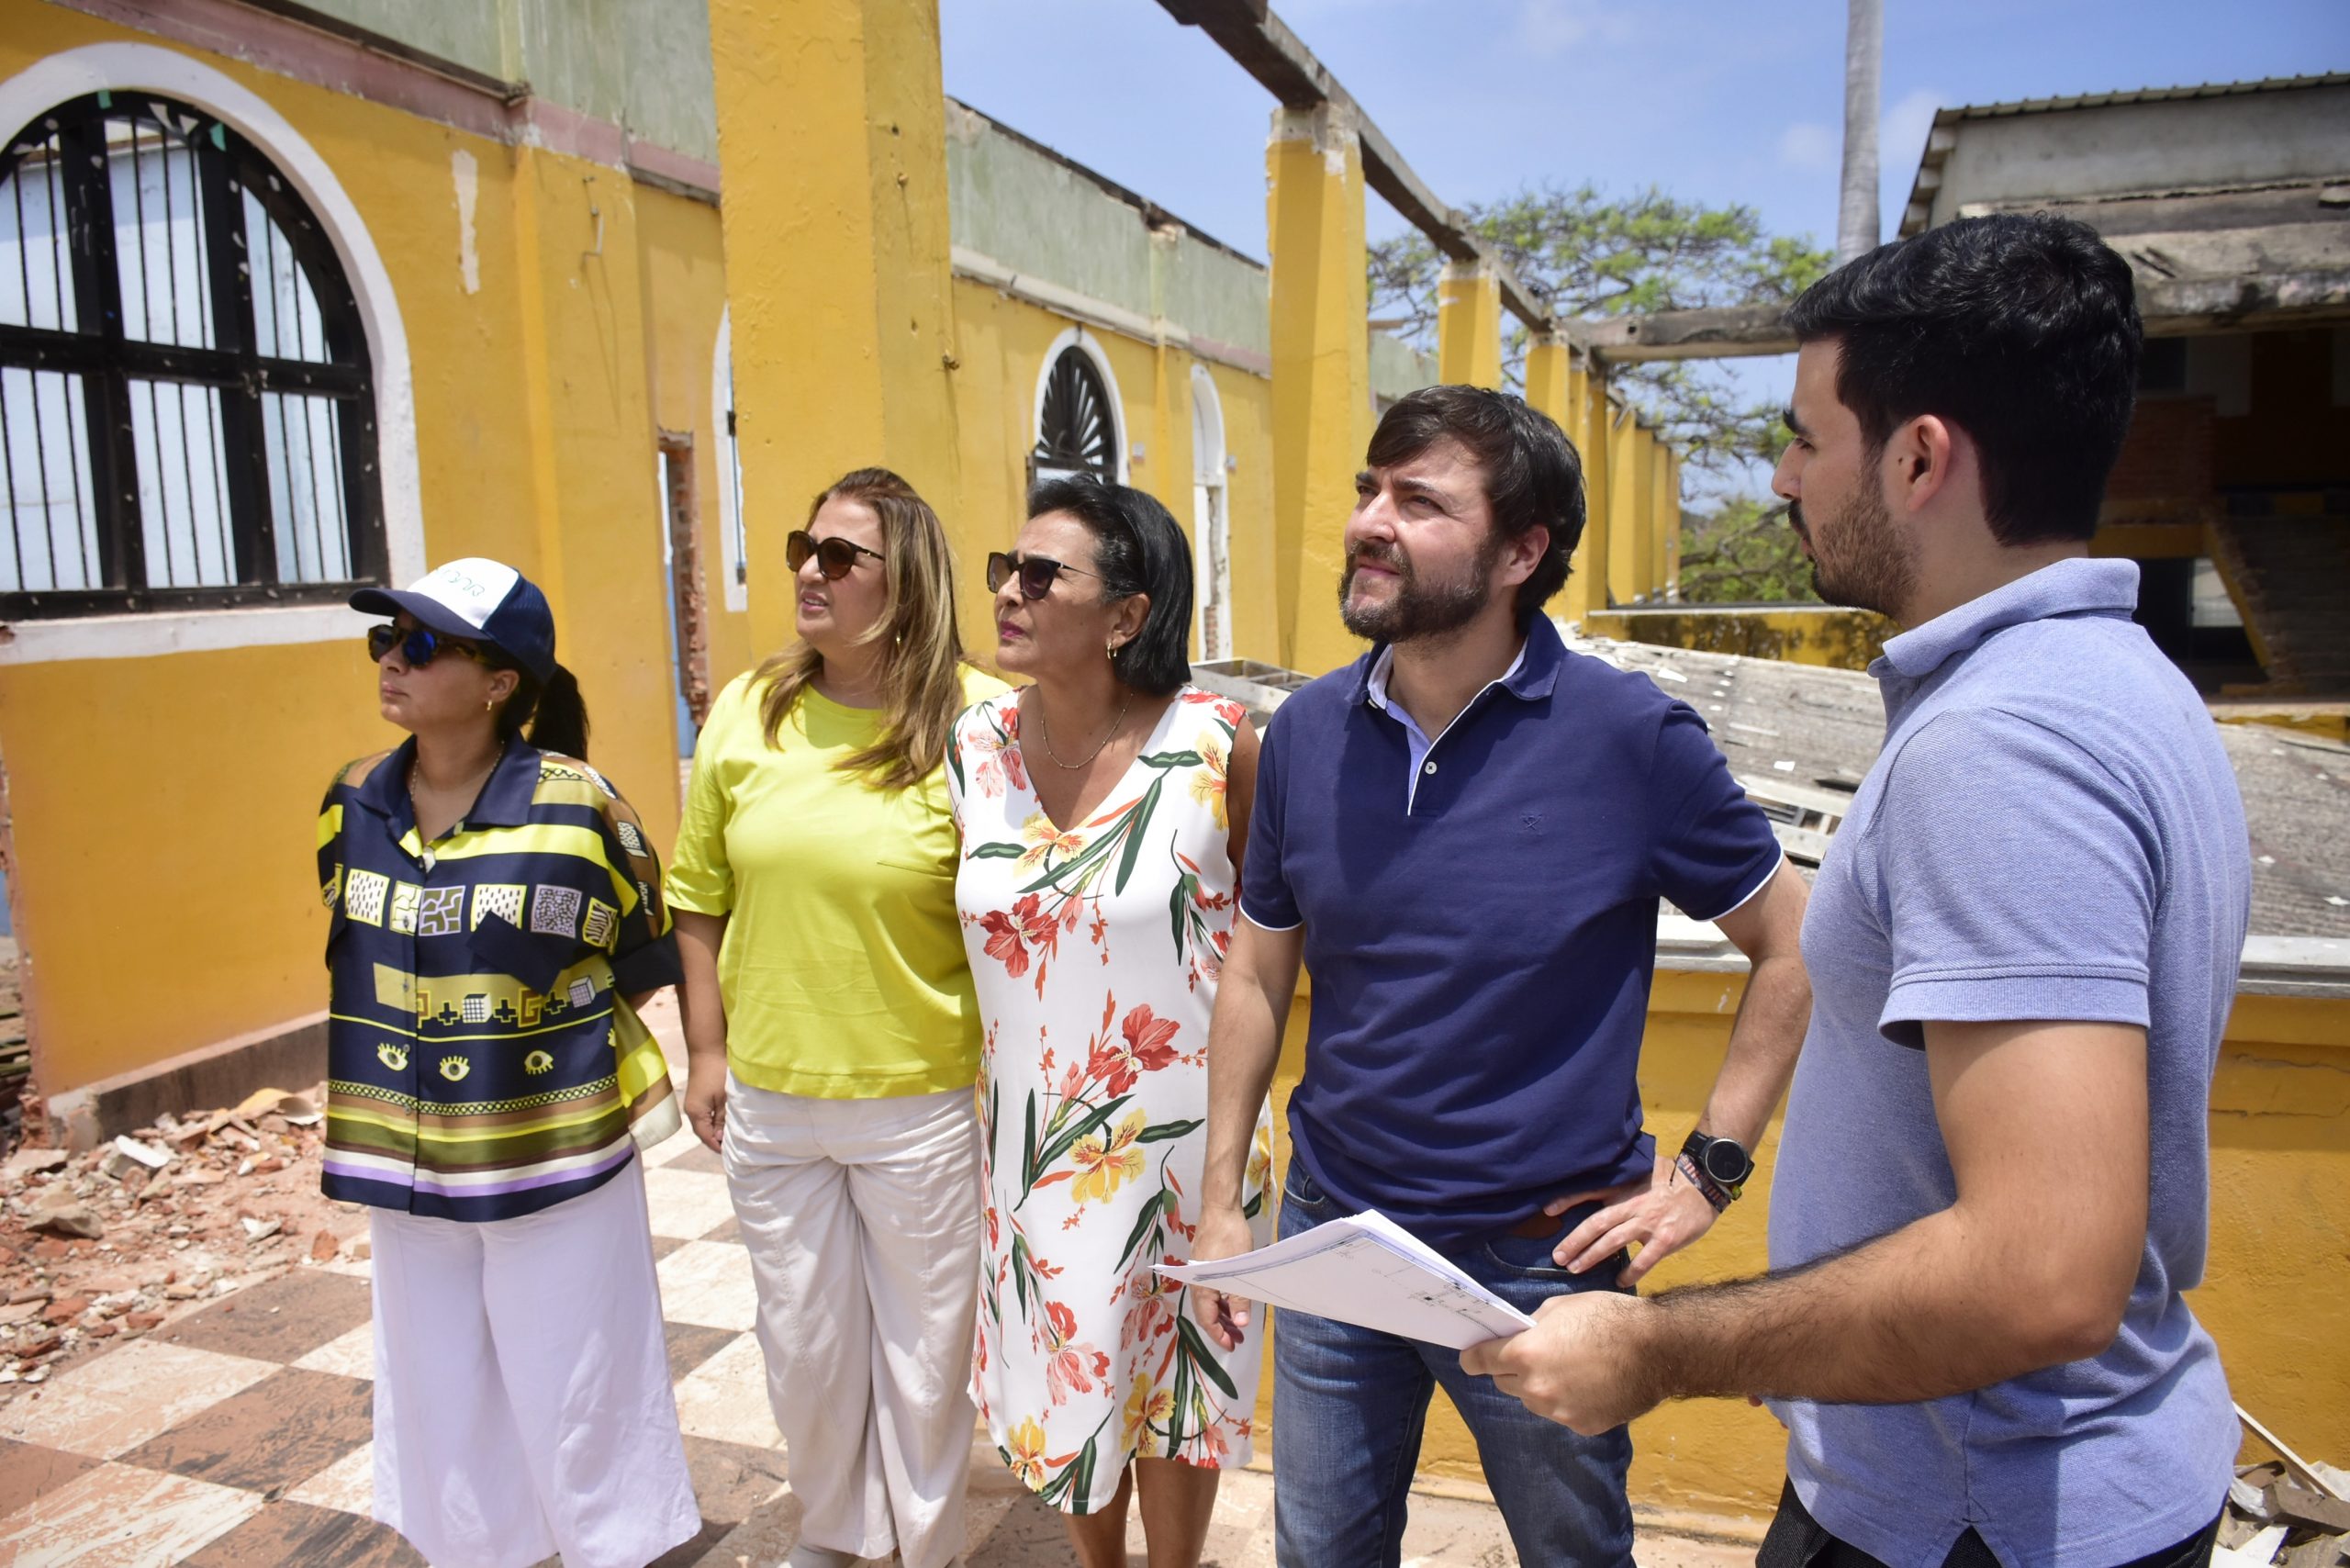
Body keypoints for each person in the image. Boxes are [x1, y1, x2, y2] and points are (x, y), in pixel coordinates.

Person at [1462, 214, 2247, 1568]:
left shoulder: (1999, 747)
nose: (1782, 477)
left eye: (1808, 437)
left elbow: (2043, 1268)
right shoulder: (2126, 685)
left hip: (1973, 1516)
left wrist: (1657, 1349)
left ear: (1921, 456)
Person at [1187, 386, 1813, 1566]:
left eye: (1419, 500)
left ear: (1522, 551)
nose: (1370, 520)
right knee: (1321, 1550)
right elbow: (1258, 972)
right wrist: (1226, 1200)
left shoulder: (1630, 740)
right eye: (1370, 489)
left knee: (1572, 1554)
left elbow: (1796, 942)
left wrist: (1709, 1170)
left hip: (1545, 1258)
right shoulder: (1304, 733)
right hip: (1336, 1234)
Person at [319, 557, 699, 1568]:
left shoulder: (582, 808)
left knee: (583, 1383)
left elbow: (642, 952)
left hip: (553, 1153)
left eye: (425, 643)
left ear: (498, 683)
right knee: (439, 1388)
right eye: (386, 638)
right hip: (401, 1160)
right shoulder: (351, 802)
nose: (394, 659)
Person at [666, 468, 1005, 1568]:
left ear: (903, 580)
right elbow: (698, 890)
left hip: (919, 1099)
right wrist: (706, 1048)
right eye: (801, 548)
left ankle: (927, 1544)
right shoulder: (747, 707)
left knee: (922, 1355)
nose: (810, 570)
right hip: (771, 1096)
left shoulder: (983, 722)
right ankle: (836, 1534)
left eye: (840, 555)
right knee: (804, 1348)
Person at [948, 476, 1273, 1567]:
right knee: (1070, 1395)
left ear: (1128, 615)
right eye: (1007, 566)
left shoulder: (1219, 745)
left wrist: (1230, 1177)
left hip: (1187, 1149)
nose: (1010, 589)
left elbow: (1276, 945)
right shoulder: (975, 744)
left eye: (1044, 575)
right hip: (1032, 1151)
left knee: (1177, 1401)